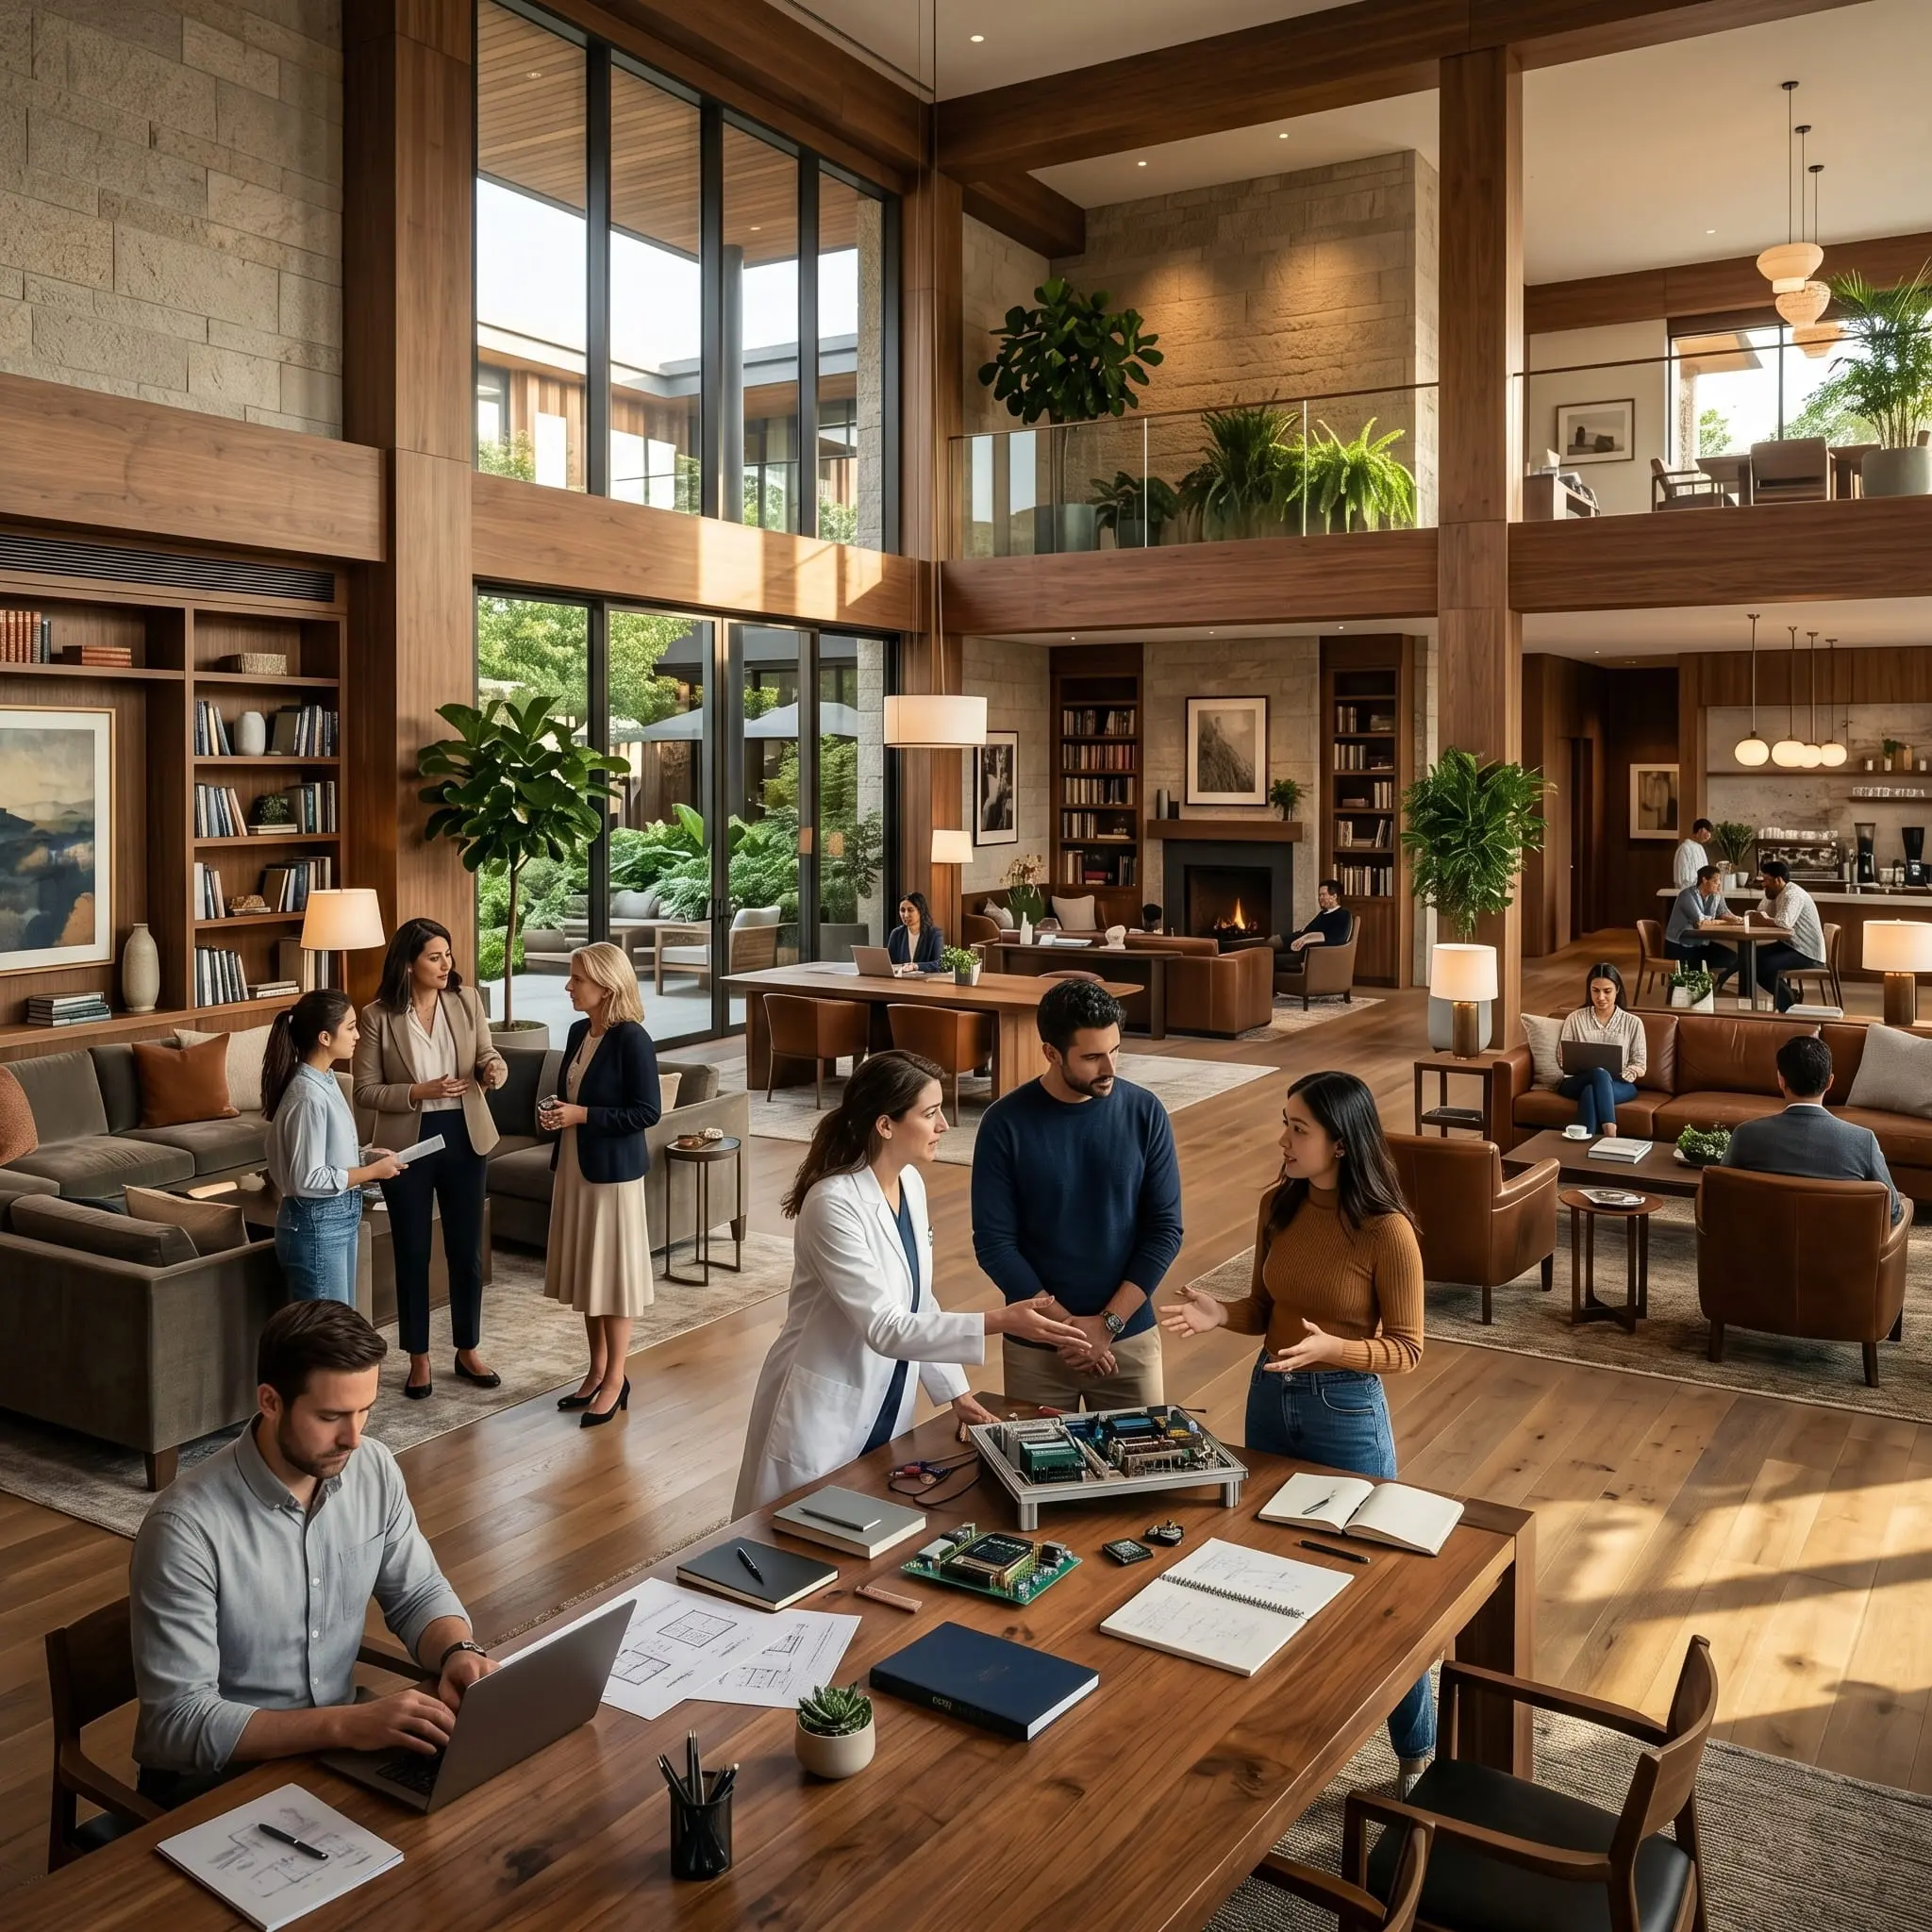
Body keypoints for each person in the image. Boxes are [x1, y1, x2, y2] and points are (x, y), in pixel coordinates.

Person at [1158, 1070, 1432, 1784]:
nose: (1282, 1140)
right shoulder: (1277, 1207)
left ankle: (1416, 1752)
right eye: (1285, 1123)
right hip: (1268, 1398)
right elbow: (1264, 1308)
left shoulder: (1388, 1232)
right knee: (1263, 1565)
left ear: (1340, 1143)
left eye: (1297, 1128)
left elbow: (1406, 1348)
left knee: (1374, 1591)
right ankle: (1279, 1726)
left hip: (1346, 1408)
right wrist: (1223, 1314)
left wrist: (1334, 1349)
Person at [128, 1301, 493, 1807]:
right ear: (271, 1401)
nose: (354, 1437)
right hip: (217, 1780)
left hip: (335, 1748)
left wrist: (457, 1651)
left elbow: (417, 1593)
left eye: (365, 1410)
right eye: (331, 1416)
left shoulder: (375, 1469)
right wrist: (346, 1724)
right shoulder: (185, 1529)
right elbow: (178, 1724)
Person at [734, 1051, 1086, 1513]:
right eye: (930, 1113)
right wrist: (1000, 1320)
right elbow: (886, 1326)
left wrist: (957, 1393)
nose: (943, 1126)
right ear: (886, 1125)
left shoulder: (910, 1184)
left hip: (889, 1394)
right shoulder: (832, 1204)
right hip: (825, 1406)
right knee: (791, 1537)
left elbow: (919, 1300)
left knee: (868, 1519)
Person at [972, 977, 1183, 1408]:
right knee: (1036, 1474)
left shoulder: (1146, 1113)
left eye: (1115, 1051)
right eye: (1091, 1057)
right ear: (1051, 1053)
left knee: (1144, 1471)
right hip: (1036, 1341)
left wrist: (1106, 1325)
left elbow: (1165, 1230)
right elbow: (995, 1245)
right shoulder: (1004, 1124)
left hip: (1127, 1338)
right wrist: (1069, 1328)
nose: (1109, 1069)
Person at [354, 917, 509, 1400]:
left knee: (465, 1251)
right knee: (413, 1251)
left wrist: (493, 1067)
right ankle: (418, 1358)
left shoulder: (467, 1001)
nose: (447, 964)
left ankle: (467, 1349)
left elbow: (487, 1053)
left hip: (465, 1135)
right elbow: (365, 1090)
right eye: (435, 957)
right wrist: (419, 1091)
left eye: (448, 955)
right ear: (408, 963)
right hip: (409, 1143)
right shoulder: (377, 1015)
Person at [541, 942, 661, 1427]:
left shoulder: (632, 1039)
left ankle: (616, 1379)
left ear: (607, 985)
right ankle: (595, 1372)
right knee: (588, 1276)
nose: (569, 986)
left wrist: (582, 1114)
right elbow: (573, 1092)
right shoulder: (578, 1032)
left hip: (612, 1176)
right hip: (575, 1165)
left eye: (577, 979)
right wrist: (558, 1112)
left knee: (612, 1281)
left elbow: (647, 1112)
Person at [262, 991, 403, 1305]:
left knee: (339, 1329)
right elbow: (306, 1179)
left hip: (336, 1219)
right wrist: (371, 1171)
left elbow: (327, 1156)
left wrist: (367, 1157)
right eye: (351, 1027)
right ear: (325, 1037)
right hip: (316, 1224)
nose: (358, 1034)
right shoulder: (307, 1096)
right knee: (329, 1338)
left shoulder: (326, 1080)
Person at [1723, 1034, 1902, 1224]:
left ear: (1781, 1081)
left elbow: (1718, 1197)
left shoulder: (1746, 1135)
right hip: (1838, 1252)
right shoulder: (1863, 1140)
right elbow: (1892, 1212)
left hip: (1759, 1249)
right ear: (1830, 1082)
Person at [1557, 961, 1647, 1136]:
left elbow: (1640, 1063)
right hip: (1576, 1081)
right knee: (1599, 1073)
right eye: (1595, 990)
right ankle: (1610, 1133)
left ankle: (1584, 1145)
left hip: (1618, 1084)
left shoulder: (1633, 1023)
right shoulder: (1574, 1018)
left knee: (1591, 1091)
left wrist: (1633, 1071)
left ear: (1618, 990)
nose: (1601, 997)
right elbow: (1563, 1058)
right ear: (1589, 990)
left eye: (1607, 991)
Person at [1754, 858, 1826, 1013]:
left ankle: (1788, 1002)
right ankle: (1789, 996)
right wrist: (1768, 893)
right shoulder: (1779, 892)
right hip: (1790, 945)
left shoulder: (1792, 894)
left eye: (1766, 880)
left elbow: (1783, 922)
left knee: (1763, 965)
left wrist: (1763, 918)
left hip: (1807, 953)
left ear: (1778, 880)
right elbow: (1761, 911)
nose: (1763, 884)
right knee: (1752, 956)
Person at [1663, 862, 1738, 990]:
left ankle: (1710, 983)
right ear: (1704, 880)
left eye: (1719, 880)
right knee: (1702, 961)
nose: (1719, 884)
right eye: (1716, 880)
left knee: (1732, 957)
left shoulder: (1716, 894)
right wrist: (1726, 922)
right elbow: (1700, 922)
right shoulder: (1687, 895)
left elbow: (1724, 912)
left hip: (1699, 944)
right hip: (1680, 946)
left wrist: (1738, 920)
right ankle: (1697, 986)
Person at [886, 890, 947, 973]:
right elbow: (889, 963)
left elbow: (940, 964)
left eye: (910, 910)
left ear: (920, 911)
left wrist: (915, 966)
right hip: (901, 980)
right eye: (902, 910)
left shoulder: (935, 935)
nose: (906, 915)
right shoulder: (896, 934)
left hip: (925, 982)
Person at [1287, 879, 1351, 953]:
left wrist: (1306, 938)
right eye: (1320, 895)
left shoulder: (1343, 914)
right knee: (1273, 945)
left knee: (1273, 943)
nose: (1320, 898)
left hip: (1310, 947)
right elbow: (1308, 929)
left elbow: (1336, 937)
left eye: (1323, 895)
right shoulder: (1323, 913)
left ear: (1334, 896)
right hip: (1299, 939)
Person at [1673, 817, 1715, 891]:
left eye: (1709, 832)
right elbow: (1682, 880)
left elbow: (1706, 872)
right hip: (1687, 894)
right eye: (1707, 831)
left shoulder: (1700, 848)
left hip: (1700, 893)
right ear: (1699, 830)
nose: (1708, 835)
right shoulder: (1684, 848)